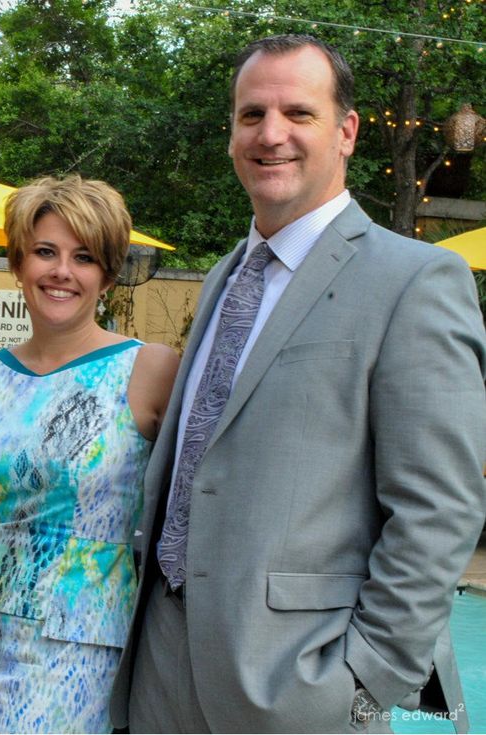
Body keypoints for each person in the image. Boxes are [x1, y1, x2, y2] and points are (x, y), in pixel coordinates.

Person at [111, 35, 486, 734]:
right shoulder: (227, 272)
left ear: (346, 132)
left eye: (297, 113)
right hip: (160, 667)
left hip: (300, 687)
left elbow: (440, 508)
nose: (270, 133)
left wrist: (364, 682)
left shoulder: (416, 281)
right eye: (251, 115)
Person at [0, 175, 180, 733]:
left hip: (80, 649)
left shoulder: (149, 369)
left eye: (84, 257)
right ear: (19, 262)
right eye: (45, 252)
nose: (61, 272)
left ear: (108, 275)